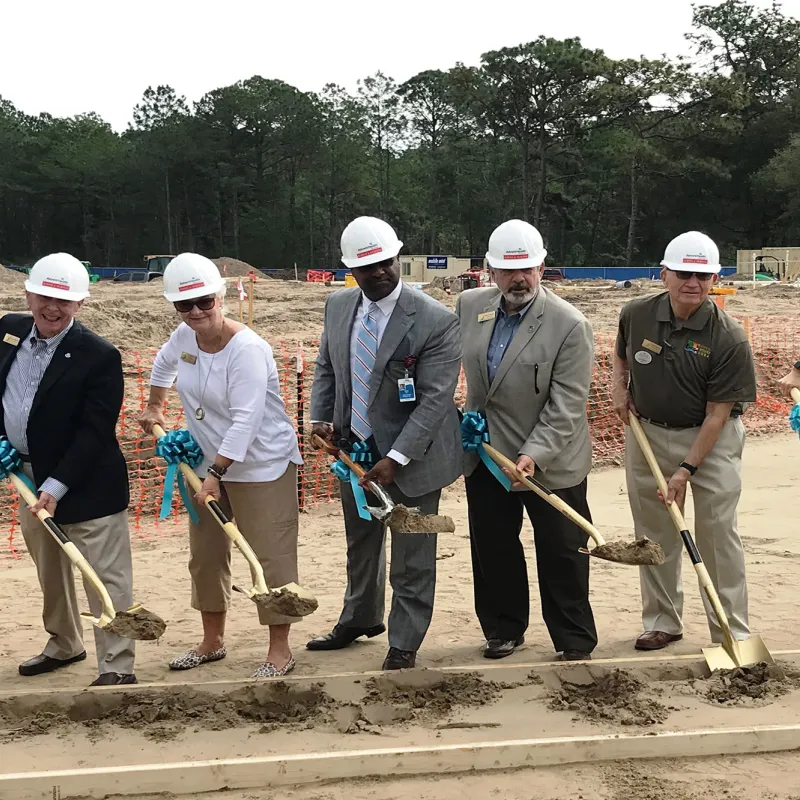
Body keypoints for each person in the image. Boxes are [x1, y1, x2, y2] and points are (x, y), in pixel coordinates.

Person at [308, 215, 462, 670]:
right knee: (362, 542)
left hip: (413, 457)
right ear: (349, 270)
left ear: (398, 258)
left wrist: (395, 458)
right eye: (365, 267)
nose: (377, 272)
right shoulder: (338, 306)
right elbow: (327, 367)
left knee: (413, 553)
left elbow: (434, 402)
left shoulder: (435, 320)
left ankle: (404, 641)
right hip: (355, 451)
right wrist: (323, 419)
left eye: (385, 262)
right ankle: (359, 618)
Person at [139, 253, 303, 678]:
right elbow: (162, 364)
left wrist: (215, 474)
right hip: (208, 465)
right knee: (206, 556)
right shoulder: (184, 336)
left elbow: (246, 420)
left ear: (221, 296)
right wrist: (155, 406)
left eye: (204, 302)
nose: (195, 312)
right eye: (184, 305)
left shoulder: (247, 349)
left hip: (261, 466)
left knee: (269, 556)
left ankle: (279, 650)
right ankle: (212, 641)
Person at [457, 219, 597, 662]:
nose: (519, 279)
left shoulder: (569, 325)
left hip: (552, 459)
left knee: (562, 552)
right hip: (486, 456)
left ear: (542, 267)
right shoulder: (468, 305)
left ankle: (574, 638)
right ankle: (503, 628)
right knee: (494, 546)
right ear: (490, 271)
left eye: (528, 269)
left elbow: (568, 405)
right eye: (509, 271)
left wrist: (532, 453)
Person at [612, 231, 757, 652]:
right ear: (664, 274)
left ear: (715, 278)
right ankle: (662, 620)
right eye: (683, 273)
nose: (692, 283)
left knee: (715, 534)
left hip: (711, 440)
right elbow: (621, 354)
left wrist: (685, 469)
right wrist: (620, 388)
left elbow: (718, 415)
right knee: (654, 531)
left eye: (703, 275)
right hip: (647, 434)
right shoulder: (636, 313)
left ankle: (731, 630)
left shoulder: (729, 337)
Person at [0, 253, 136, 686]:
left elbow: (95, 433)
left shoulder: (99, 356)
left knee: (104, 577)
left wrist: (56, 487)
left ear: (80, 304)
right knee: (50, 570)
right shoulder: (8, 330)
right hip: (27, 478)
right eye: (44, 296)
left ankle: (117, 665)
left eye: (64, 300)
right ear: (29, 294)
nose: (52, 307)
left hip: (88, 484)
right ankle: (64, 643)